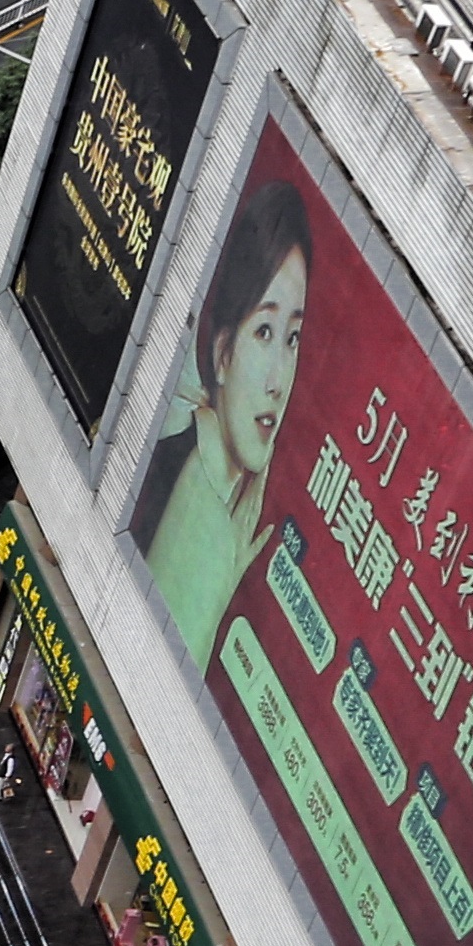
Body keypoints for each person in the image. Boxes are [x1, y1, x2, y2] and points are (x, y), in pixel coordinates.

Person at [123, 164, 316, 681]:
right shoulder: (201, 503)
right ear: (223, 352)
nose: (278, 380)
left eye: (293, 338)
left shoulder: (213, 492)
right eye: (264, 331)